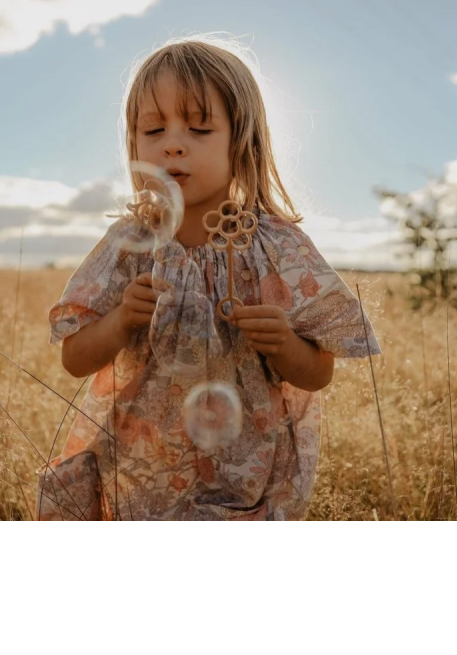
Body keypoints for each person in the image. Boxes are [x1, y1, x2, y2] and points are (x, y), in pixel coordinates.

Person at [38, 35, 381, 521]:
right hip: (142, 474)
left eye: (199, 128)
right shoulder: (130, 244)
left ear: (242, 141)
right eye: (153, 130)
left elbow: (318, 373)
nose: (173, 144)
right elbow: (75, 358)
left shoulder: (274, 248)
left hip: (245, 474)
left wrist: (284, 342)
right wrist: (120, 320)